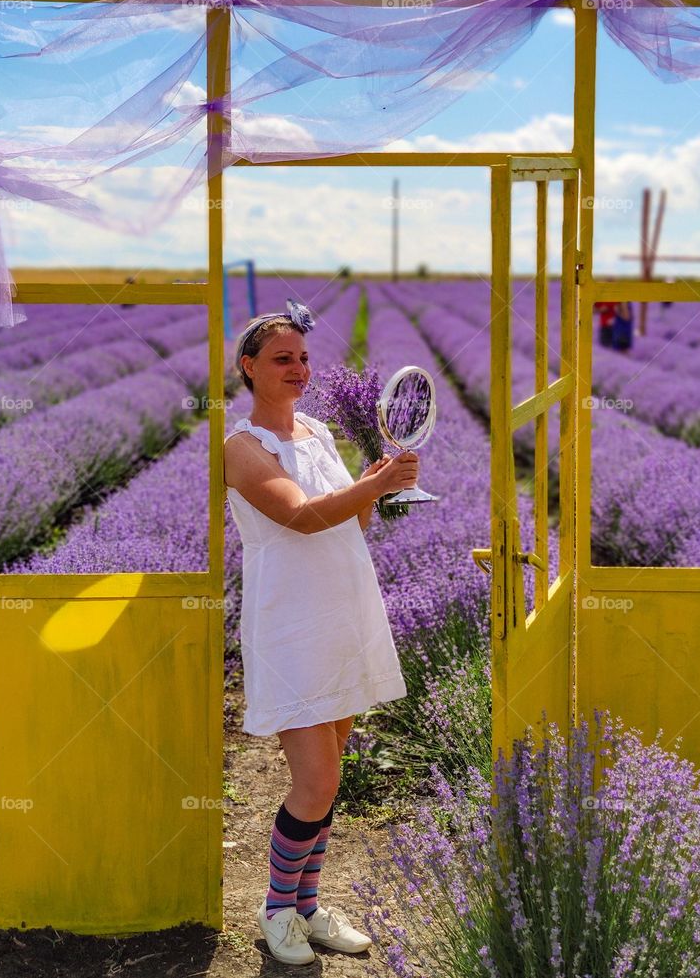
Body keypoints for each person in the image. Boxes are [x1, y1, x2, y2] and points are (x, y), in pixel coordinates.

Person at [223, 299, 416, 966]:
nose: (299, 369)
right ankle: (276, 909)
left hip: (343, 612)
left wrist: (372, 487)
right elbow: (301, 517)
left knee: (329, 779)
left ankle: (308, 908)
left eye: (304, 357)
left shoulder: (317, 432)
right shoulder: (241, 447)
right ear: (249, 367)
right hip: (291, 623)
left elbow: (350, 524)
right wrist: (374, 487)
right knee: (316, 778)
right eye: (283, 359)